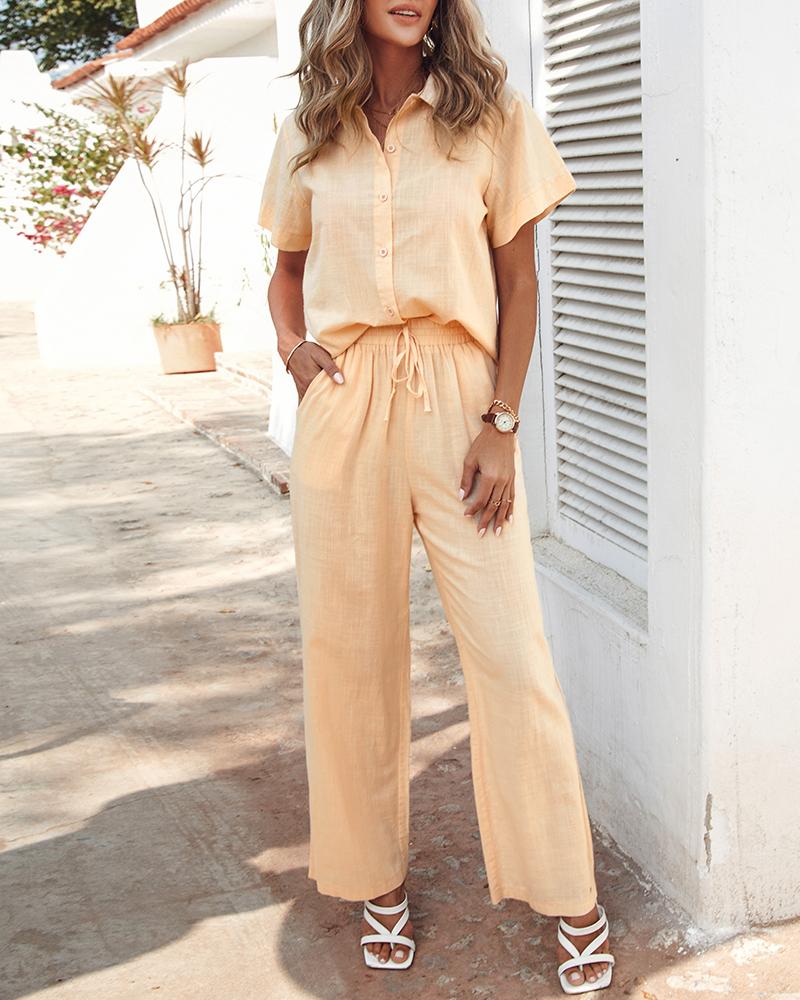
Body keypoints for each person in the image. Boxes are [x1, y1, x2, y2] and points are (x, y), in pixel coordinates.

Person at [258, 0, 615, 992]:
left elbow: (519, 282)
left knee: (510, 652)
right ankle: (375, 881)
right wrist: (292, 350)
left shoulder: (492, 115)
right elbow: (284, 272)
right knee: (348, 653)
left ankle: (568, 893)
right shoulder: (310, 126)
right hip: (345, 400)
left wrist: (501, 422)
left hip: (460, 401)